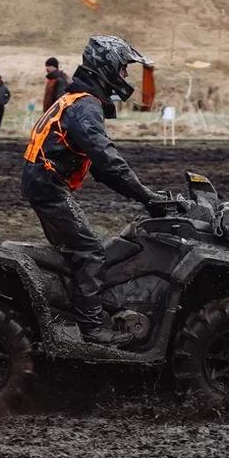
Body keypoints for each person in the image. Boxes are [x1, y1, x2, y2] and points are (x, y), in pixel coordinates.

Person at [22, 36, 169, 346]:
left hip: (42, 183)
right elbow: (109, 161)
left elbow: (103, 170)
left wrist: (145, 194)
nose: (126, 77)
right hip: (48, 187)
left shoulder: (79, 100)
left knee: (72, 253)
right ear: (107, 68)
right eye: (124, 69)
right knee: (90, 253)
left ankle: (65, 312)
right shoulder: (85, 106)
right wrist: (149, 197)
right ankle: (91, 329)